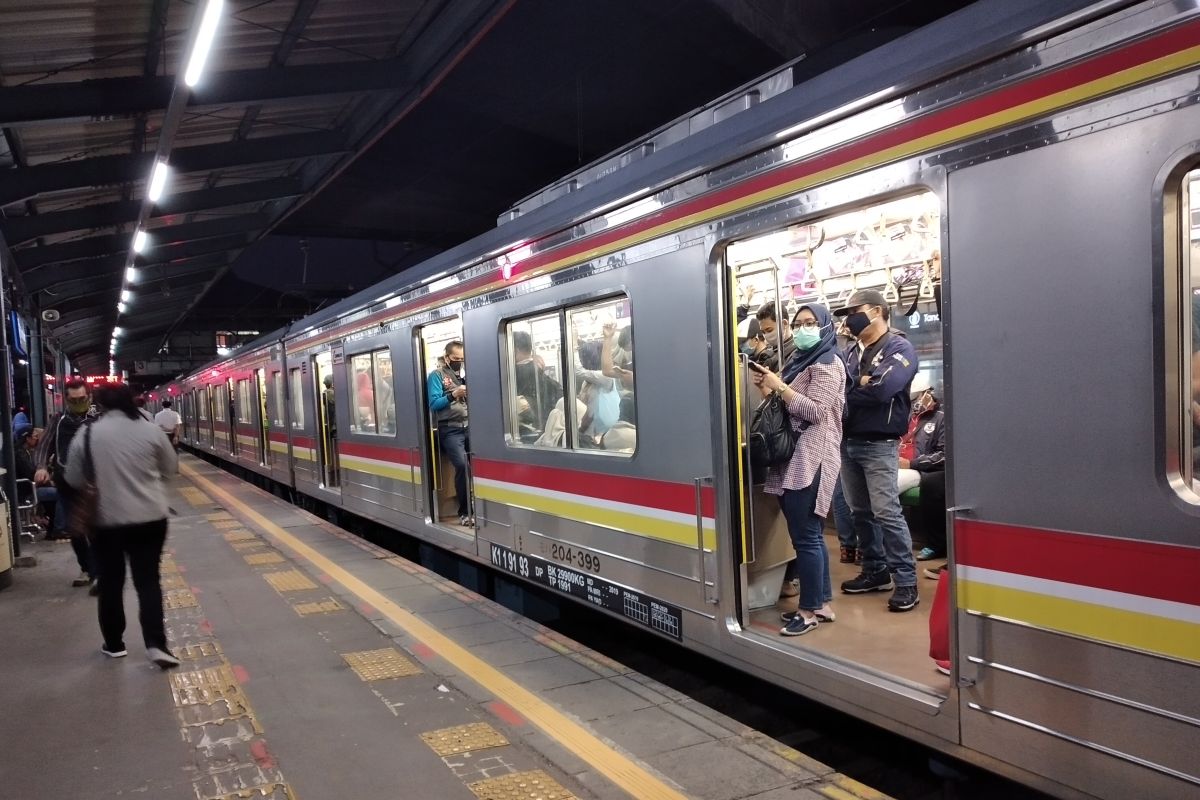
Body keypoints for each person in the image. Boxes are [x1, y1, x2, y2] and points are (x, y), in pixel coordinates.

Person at [65, 382, 179, 668]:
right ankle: (156, 645)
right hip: (150, 518)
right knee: (148, 581)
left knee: (111, 583)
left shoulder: (88, 433)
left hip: (107, 522)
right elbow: (170, 468)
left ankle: (114, 645)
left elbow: (74, 479)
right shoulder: (150, 430)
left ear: (99, 404)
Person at [752, 304, 845, 635]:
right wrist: (768, 386)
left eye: (811, 323)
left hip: (812, 459)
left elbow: (817, 412)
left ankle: (807, 612)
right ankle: (820, 602)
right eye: (799, 323)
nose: (804, 328)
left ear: (824, 327)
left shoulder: (828, 364)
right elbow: (788, 406)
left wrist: (779, 386)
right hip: (795, 459)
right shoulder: (801, 362)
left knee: (805, 538)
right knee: (810, 537)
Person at [833, 288, 921, 612]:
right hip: (848, 442)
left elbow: (884, 389)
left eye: (855, 311)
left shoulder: (900, 347)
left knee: (886, 512)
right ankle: (875, 569)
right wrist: (862, 383)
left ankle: (907, 581)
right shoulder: (851, 353)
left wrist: (856, 387)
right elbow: (834, 390)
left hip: (880, 444)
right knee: (861, 512)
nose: (849, 319)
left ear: (877, 311)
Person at [33, 377, 98, 588]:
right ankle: (88, 568)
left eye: (82, 398)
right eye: (74, 399)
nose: (78, 402)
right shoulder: (58, 421)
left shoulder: (99, 419)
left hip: (96, 484)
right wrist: (41, 467)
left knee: (97, 528)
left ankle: (99, 570)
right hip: (66, 484)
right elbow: (44, 446)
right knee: (76, 530)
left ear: (89, 396)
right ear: (66, 400)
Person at [428, 340, 471, 525]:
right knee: (462, 465)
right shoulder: (437, 376)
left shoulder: (467, 376)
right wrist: (453, 394)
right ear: (447, 358)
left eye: (462, 359)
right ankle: (465, 512)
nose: (459, 362)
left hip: (470, 426)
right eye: (455, 358)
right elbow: (434, 404)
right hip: (450, 429)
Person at [513, 331, 562, 437]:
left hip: (524, 432)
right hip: (546, 430)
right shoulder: (541, 374)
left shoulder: (512, 375)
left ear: (515, 349)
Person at [754, 301, 797, 371]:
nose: (766, 336)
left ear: (784, 324)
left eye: (769, 330)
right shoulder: (767, 354)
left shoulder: (795, 354)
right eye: (763, 332)